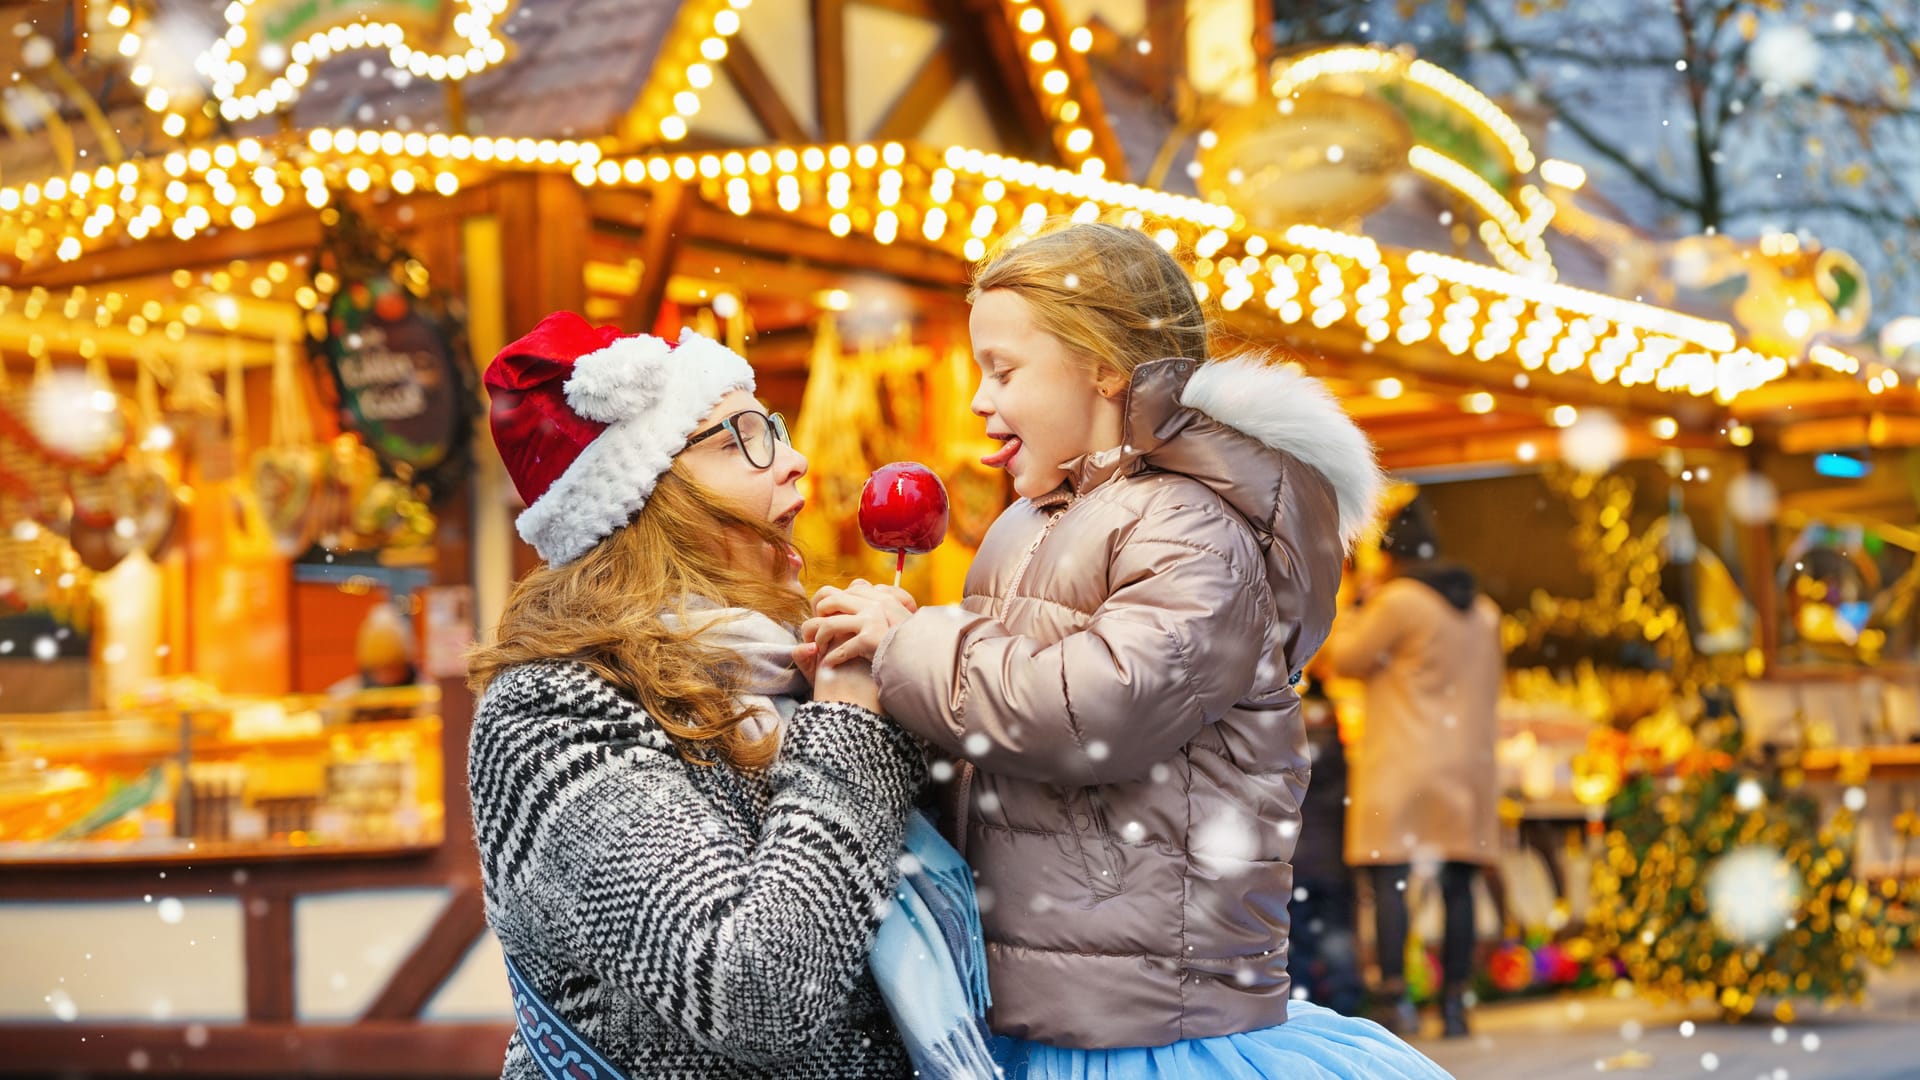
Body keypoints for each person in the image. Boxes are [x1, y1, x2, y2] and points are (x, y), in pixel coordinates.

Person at [805, 222, 1449, 1078]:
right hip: (1032, 1015)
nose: (979, 401)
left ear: (1106, 369)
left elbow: (1091, 712)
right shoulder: (1023, 526)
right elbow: (995, 737)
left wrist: (912, 646)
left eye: (1005, 370)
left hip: (1158, 1032)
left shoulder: (1193, 525)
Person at [465, 313, 928, 1078]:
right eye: (741, 438)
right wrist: (849, 716)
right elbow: (756, 991)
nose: (796, 461)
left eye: (771, 428)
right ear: (645, 501)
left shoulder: (787, 669)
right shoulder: (551, 712)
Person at [1323, 495, 1503, 1039]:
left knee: (1391, 882)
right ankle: (1455, 1004)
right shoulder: (1486, 612)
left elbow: (1338, 659)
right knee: (1458, 886)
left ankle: (1396, 1000)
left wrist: (1356, 598)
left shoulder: (1399, 601)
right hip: (1466, 767)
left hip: (1404, 764)